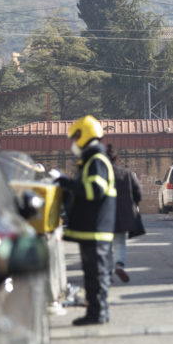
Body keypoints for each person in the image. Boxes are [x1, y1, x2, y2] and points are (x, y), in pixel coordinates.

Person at [57, 115, 116, 325]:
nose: (73, 144)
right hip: (93, 228)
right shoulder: (92, 160)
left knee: (96, 275)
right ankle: (97, 311)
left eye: (75, 138)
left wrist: (69, 184)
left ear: (83, 136)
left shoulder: (96, 160)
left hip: (96, 228)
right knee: (93, 275)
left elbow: (95, 191)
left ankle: (97, 313)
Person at [106, 144, 143, 283]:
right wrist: (133, 204)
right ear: (115, 159)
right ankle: (119, 264)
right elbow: (138, 193)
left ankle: (108, 272)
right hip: (122, 215)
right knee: (120, 242)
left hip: (104, 216)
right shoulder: (126, 174)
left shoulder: (99, 175)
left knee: (107, 245)